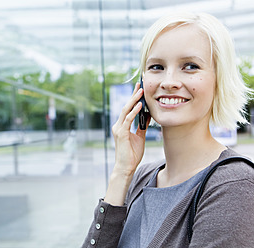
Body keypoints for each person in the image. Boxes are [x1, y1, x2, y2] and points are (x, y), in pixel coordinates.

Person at [82, 12, 254, 248]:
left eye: (190, 66)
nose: (169, 81)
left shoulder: (232, 184)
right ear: (141, 84)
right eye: (156, 67)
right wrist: (122, 172)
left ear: (219, 79)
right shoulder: (141, 177)